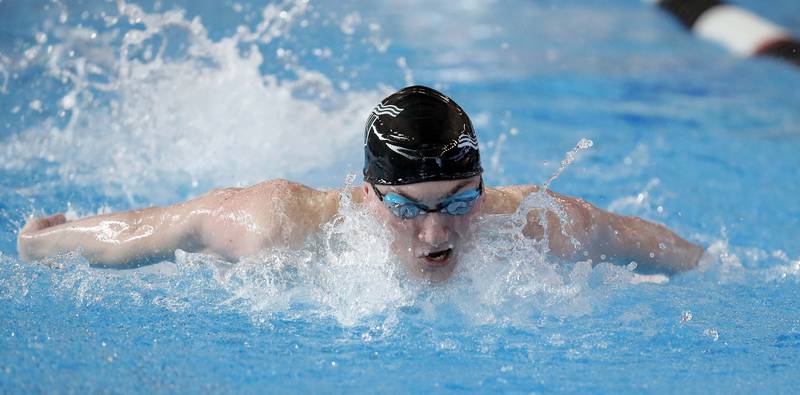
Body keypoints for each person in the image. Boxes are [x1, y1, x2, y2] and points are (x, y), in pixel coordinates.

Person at [16, 85, 704, 281]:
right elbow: (177, 223)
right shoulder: (284, 225)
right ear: (370, 192)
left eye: (460, 201)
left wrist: (715, 268)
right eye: (409, 207)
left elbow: (632, 235)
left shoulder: (530, 222)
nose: (438, 233)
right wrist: (48, 243)